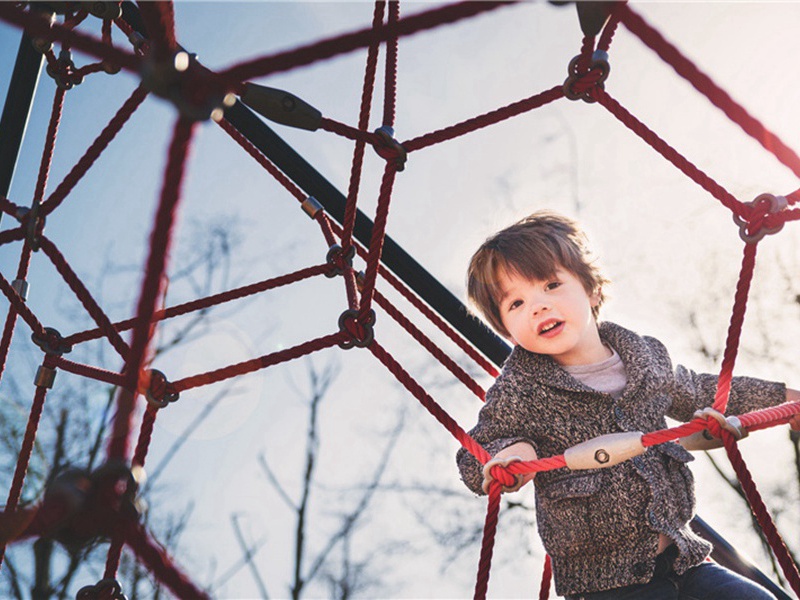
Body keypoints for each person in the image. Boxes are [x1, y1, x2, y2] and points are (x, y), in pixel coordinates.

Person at [456, 210, 800, 600]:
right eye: (515, 303)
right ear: (507, 330)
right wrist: (510, 455)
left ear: (592, 290)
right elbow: (474, 455)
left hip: (685, 557)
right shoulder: (520, 388)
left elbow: (704, 392)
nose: (537, 306)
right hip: (604, 584)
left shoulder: (644, 358)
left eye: (551, 285)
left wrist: (784, 401)